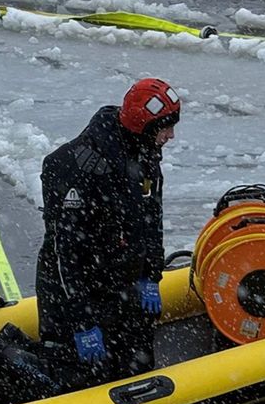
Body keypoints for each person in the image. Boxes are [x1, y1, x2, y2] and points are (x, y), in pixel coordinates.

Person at [35, 77, 181, 385]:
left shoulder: (145, 156)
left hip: (119, 280)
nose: (171, 136)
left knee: (136, 365)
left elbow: (151, 221)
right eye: (165, 128)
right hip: (78, 288)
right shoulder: (83, 167)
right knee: (82, 378)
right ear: (144, 127)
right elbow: (67, 253)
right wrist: (82, 322)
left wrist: (150, 275)